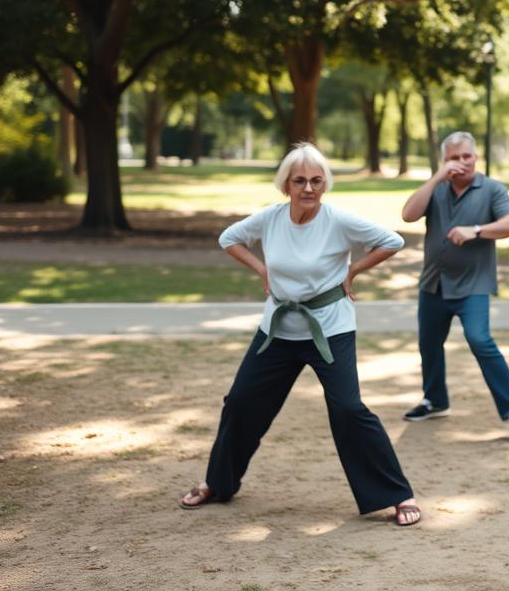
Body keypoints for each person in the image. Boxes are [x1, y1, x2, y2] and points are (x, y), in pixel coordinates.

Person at [178, 143, 419, 527]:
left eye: (316, 180)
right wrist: (262, 270)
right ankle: (217, 483)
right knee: (240, 401)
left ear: (325, 185)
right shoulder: (270, 219)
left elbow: (392, 241)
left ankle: (397, 495)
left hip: (331, 328)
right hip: (278, 330)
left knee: (348, 409)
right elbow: (229, 239)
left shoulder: (338, 220)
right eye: (300, 180)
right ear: (285, 185)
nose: (308, 187)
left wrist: (352, 271)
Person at [400, 131, 509, 442]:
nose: (461, 163)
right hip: (434, 282)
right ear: (445, 162)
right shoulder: (438, 189)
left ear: (476, 157)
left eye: (466, 156)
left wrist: (476, 230)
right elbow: (408, 214)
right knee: (428, 344)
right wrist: (435, 179)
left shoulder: (492, 189)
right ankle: (435, 400)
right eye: (454, 158)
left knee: (480, 340)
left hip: (473, 285)